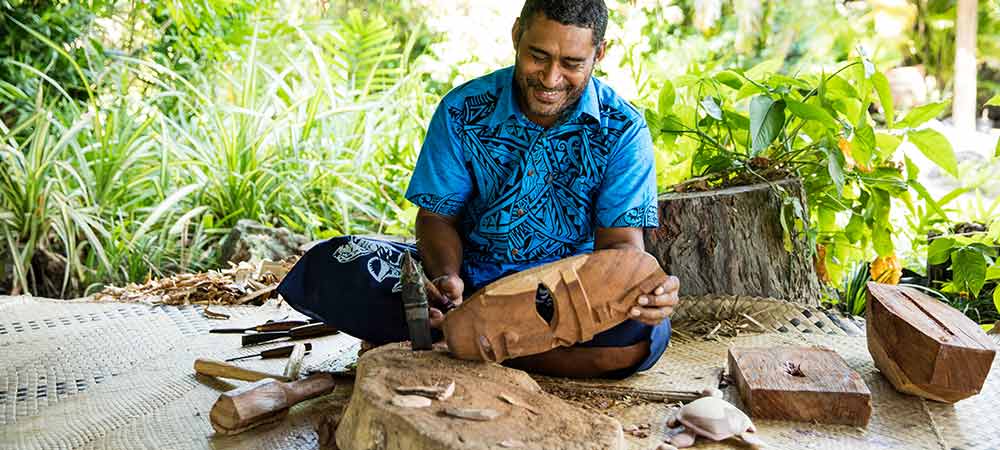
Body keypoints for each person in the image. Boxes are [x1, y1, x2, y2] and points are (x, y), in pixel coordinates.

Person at [277, 0, 680, 379]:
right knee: (334, 262)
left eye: (572, 63)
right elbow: (436, 217)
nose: (551, 78)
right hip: (470, 285)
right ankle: (484, 336)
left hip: (558, 299)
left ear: (600, 54)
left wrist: (645, 290)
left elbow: (621, 247)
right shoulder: (462, 110)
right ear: (517, 34)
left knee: (645, 333)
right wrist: (447, 278)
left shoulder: (623, 129)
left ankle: (456, 340)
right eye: (537, 56)